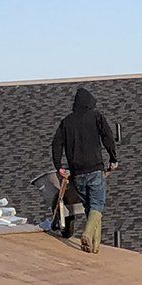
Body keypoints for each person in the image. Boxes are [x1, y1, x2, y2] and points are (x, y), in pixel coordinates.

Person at [51, 86, 118, 254]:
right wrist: (113, 158)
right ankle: (87, 235)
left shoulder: (66, 122)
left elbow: (56, 144)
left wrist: (59, 166)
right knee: (97, 204)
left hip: (77, 173)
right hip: (95, 169)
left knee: (90, 206)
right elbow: (108, 136)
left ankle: (94, 247)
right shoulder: (96, 117)